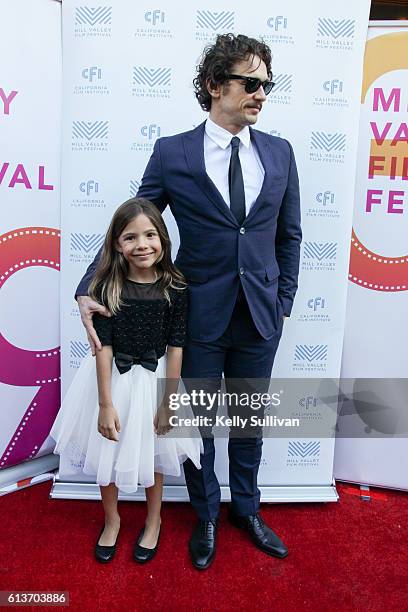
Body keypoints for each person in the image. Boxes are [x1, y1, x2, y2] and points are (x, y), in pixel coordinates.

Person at [76, 33, 302, 569]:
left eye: (267, 84)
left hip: (260, 315)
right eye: (250, 83)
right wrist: (89, 288)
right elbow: (131, 223)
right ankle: (204, 513)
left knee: (249, 420)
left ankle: (246, 508)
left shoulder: (280, 151)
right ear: (213, 85)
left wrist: (284, 299)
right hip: (198, 314)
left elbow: (289, 236)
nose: (261, 93)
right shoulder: (173, 152)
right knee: (197, 422)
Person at [50, 198, 202, 564]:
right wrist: (105, 403)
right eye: (130, 237)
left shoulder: (175, 288)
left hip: (155, 384)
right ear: (117, 243)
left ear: (163, 238)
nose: (142, 244)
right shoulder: (106, 287)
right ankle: (112, 520)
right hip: (110, 383)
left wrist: (169, 401)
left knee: (154, 453)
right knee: (108, 449)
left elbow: (177, 346)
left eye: (150, 235)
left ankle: (153, 520)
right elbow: (103, 348)